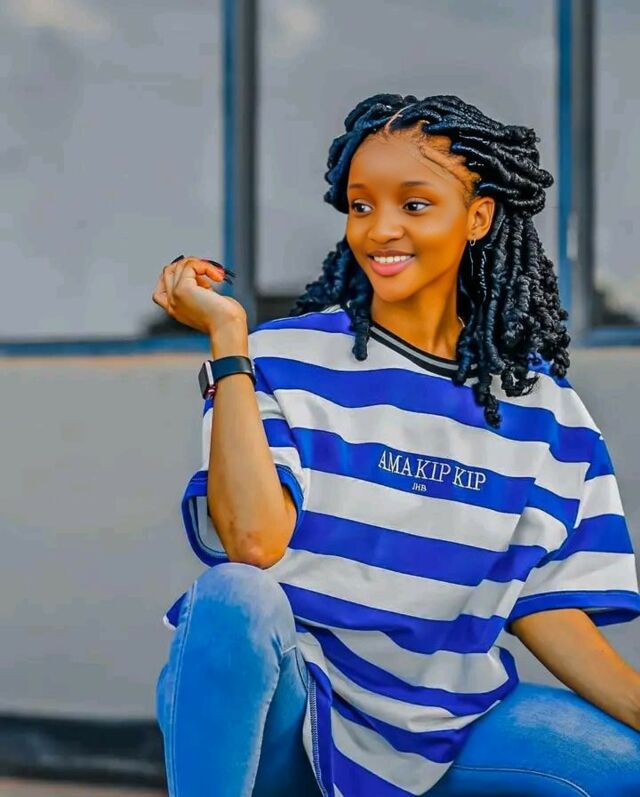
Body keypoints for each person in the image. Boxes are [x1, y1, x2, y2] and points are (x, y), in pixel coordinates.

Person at [152, 93, 640, 797]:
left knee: (625, 771)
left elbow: (540, 602)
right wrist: (229, 342)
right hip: (294, 713)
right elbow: (253, 543)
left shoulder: (545, 413)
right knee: (233, 597)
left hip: (448, 722)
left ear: (479, 217)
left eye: (414, 204)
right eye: (361, 205)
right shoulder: (279, 359)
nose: (380, 229)